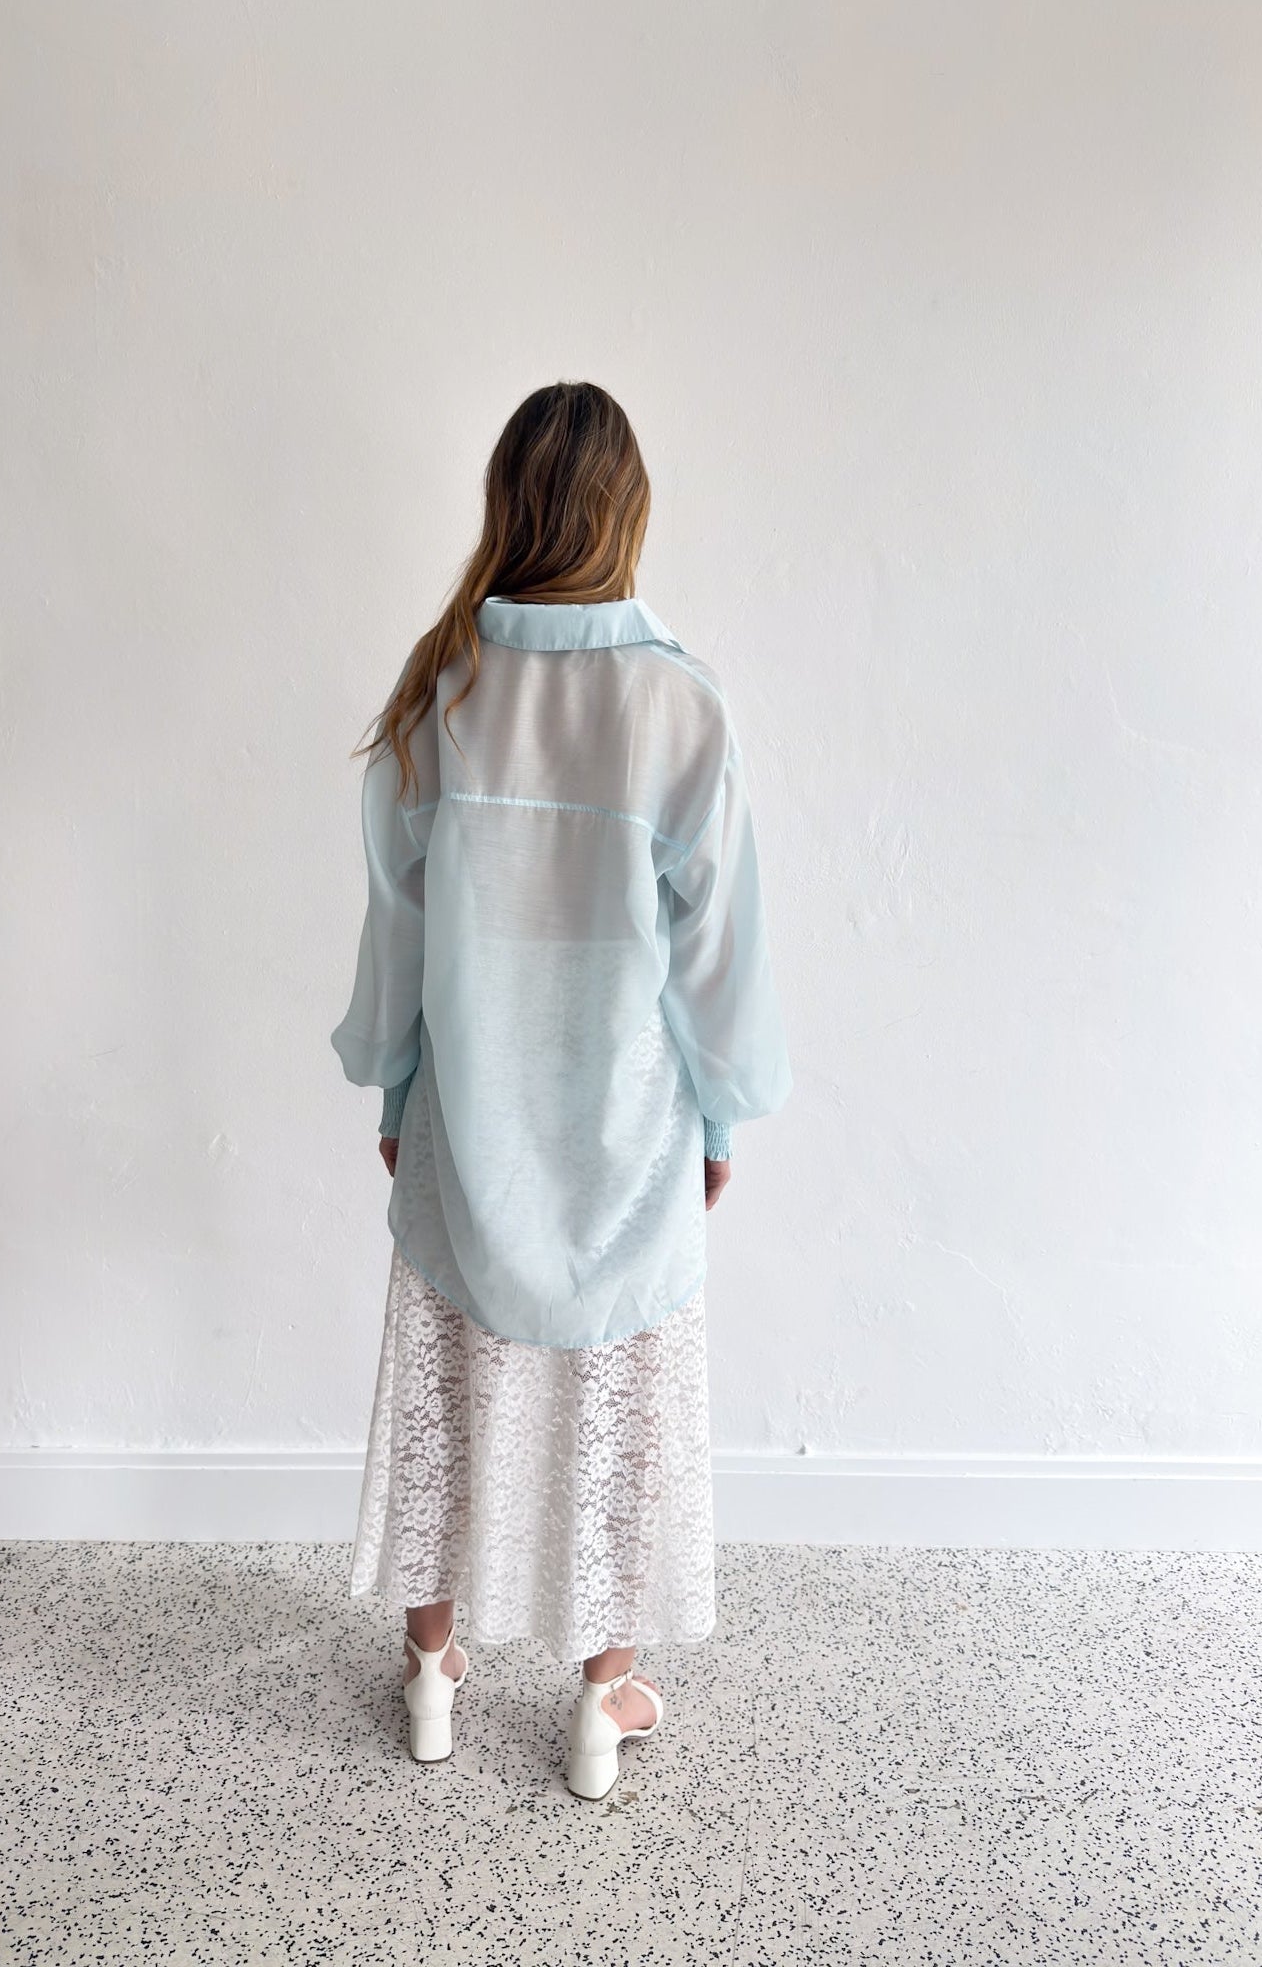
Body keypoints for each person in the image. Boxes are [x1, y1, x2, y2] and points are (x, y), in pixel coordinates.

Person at [331, 380, 792, 1799]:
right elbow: (718, 948)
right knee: (616, 1406)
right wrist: (721, 1108)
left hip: (467, 1115)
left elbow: (398, 928)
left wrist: (394, 1088)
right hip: (627, 1125)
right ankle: (601, 1703)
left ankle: (431, 1673)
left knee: (445, 1392)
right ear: (624, 514)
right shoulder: (678, 702)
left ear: (508, 507)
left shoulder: (443, 688)